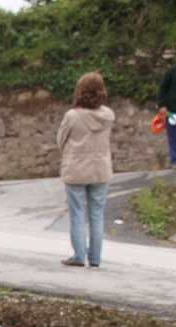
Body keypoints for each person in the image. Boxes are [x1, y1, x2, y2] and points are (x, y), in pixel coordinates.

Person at [57, 71, 114, 269]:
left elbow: (60, 140)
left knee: (77, 213)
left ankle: (79, 256)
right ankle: (96, 258)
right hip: (100, 169)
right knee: (97, 214)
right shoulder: (108, 115)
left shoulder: (72, 116)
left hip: (76, 170)